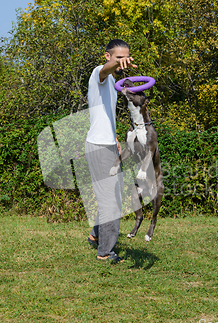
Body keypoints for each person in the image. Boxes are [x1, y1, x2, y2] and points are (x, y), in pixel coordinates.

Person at [85, 39, 137, 262]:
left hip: (107, 143)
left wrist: (114, 137)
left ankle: (96, 235)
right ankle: (105, 252)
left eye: (125, 57)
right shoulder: (100, 73)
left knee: (114, 194)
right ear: (107, 57)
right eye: (118, 58)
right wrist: (114, 65)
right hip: (98, 147)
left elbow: (105, 114)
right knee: (111, 202)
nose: (122, 62)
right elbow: (105, 70)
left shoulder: (113, 83)